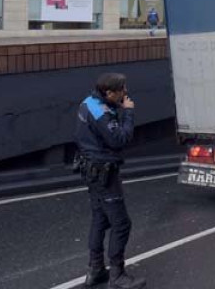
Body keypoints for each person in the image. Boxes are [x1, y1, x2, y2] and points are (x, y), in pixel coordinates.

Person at [75, 73, 146, 289]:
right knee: (121, 223)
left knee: (100, 218)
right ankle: (117, 276)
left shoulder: (88, 102)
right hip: (104, 172)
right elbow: (119, 139)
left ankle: (95, 270)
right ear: (109, 93)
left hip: (91, 170)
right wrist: (128, 113)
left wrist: (117, 108)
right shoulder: (101, 113)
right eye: (121, 90)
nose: (125, 93)